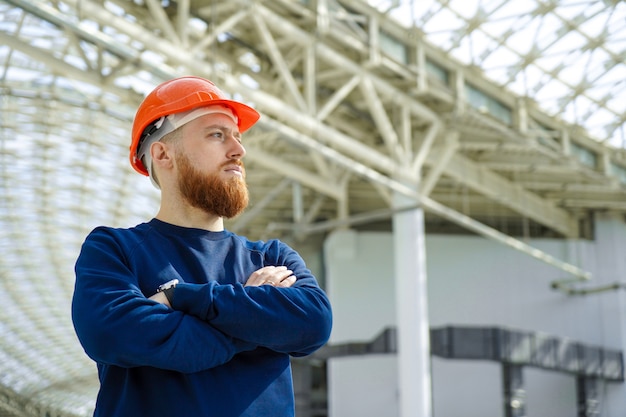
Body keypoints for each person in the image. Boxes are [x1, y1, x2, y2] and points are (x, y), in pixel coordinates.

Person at [71, 76, 333, 417]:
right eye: (217, 135)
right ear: (163, 153)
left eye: (237, 137)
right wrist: (252, 314)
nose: (239, 150)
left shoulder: (272, 257)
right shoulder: (113, 250)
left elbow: (314, 323)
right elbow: (110, 335)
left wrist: (179, 297)